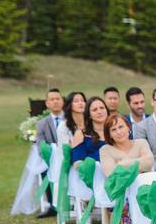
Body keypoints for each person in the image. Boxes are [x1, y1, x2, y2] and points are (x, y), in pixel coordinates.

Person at [99, 114, 154, 224]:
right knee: (127, 203)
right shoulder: (106, 150)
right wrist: (138, 166)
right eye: (113, 130)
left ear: (128, 127)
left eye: (121, 127)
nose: (118, 132)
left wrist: (123, 163)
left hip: (144, 190)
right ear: (109, 134)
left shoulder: (141, 143)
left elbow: (149, 162)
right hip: (122, 194)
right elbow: (111, 174)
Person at [34, 88, 64, 217]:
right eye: (52, 99)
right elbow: (40, 145)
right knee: (43, 170)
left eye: (58, 99)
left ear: (62, 101)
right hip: (51, 158)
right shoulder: (42, 123)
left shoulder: (71, 119)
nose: (55, 102)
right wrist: (51, 158)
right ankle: (52, 205)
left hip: (69, 157)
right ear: (47, 103)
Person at [71, 97, 108, 164]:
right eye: (94, 110)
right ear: (89, 115)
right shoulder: (81, 134)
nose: (99, 112)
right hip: (91, 172)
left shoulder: (115, 131)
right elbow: (77, 162)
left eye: (102, 108)